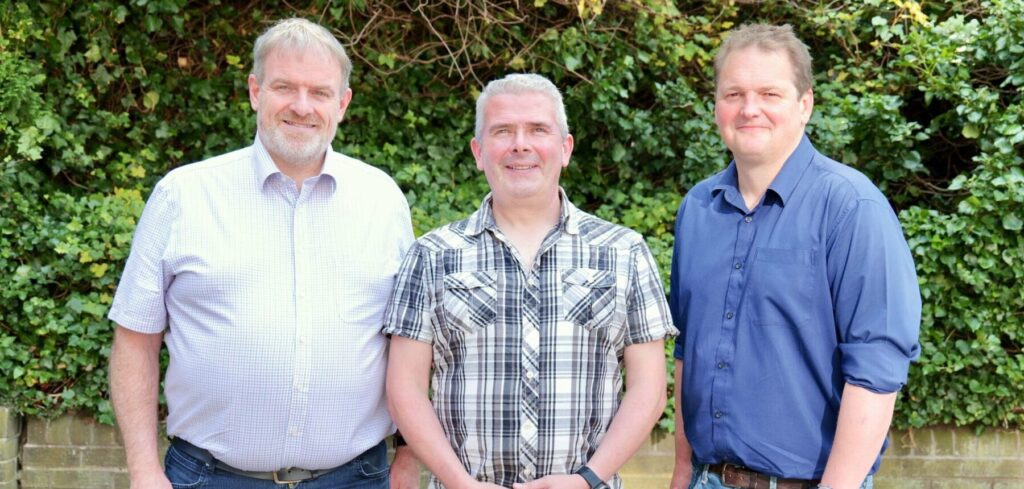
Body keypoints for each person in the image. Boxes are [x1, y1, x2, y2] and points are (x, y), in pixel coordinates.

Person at [108, 17, 420, 489]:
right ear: (256, 92)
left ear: (343, 103)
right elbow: (135, 338)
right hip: (209, 478)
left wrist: (408, 456)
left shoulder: (383, 201)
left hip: (358, 478)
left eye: (319, 92)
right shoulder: (183, 195)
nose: (301, 106)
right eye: (284, 87)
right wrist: (143, 470)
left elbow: (411, 343)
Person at [382, 73, 677, 489]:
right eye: (503, 131)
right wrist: (460, 483)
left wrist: (586, 479)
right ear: (479, 152)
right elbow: (404, 388)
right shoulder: (432, 256)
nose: (520, 144)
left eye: (538, 129)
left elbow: (648, 388)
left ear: (565, 148)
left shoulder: (624, 252)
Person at [668, 24, 921, 489]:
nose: (749, 109)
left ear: (804, 105)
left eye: (770, 93)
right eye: (733, 94)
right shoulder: (697, 210)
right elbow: (688, 351)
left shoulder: (852, 208)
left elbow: (877, 370)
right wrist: (683, 471)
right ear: (716, 108)